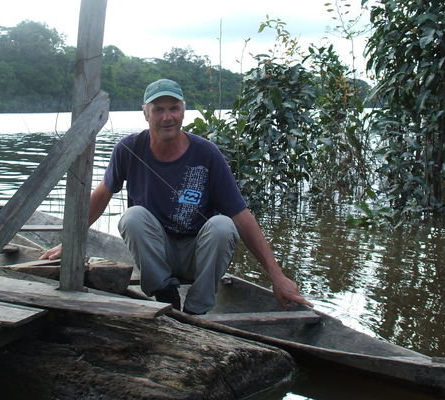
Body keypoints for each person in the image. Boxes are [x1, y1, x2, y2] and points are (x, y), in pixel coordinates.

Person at [41, 78, 312, 314]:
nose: (166, 117)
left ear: (183, 112)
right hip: (157, 256)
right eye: (158, 110)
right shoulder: (129, 148)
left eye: (174, 108)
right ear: (145, 114)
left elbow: (242, 216)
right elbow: (101, 195)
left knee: (223, 225)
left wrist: (277, 276)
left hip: (197, 256)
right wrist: (72, 242)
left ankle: (197, 310)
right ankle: (164, 292)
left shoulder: (207, 154)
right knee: (132, 217)